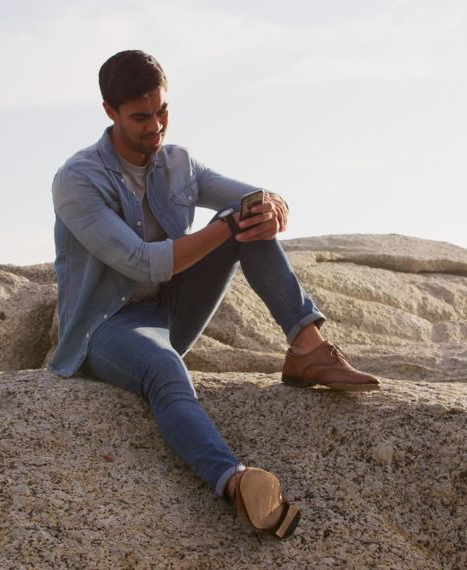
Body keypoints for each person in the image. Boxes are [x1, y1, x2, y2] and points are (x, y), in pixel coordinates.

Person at [48, 50, 379, 539]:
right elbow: (140, 260)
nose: (155, 126)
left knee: (250, 216)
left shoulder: (178, 162)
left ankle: (307, 348)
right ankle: (236, 482)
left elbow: (252, 196)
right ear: (110, 111)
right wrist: (224, 226)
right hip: (107, 328)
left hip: (172, 309)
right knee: (166, 368)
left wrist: (273, 206)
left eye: (162, 111)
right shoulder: (77, 180)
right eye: (140, 117)